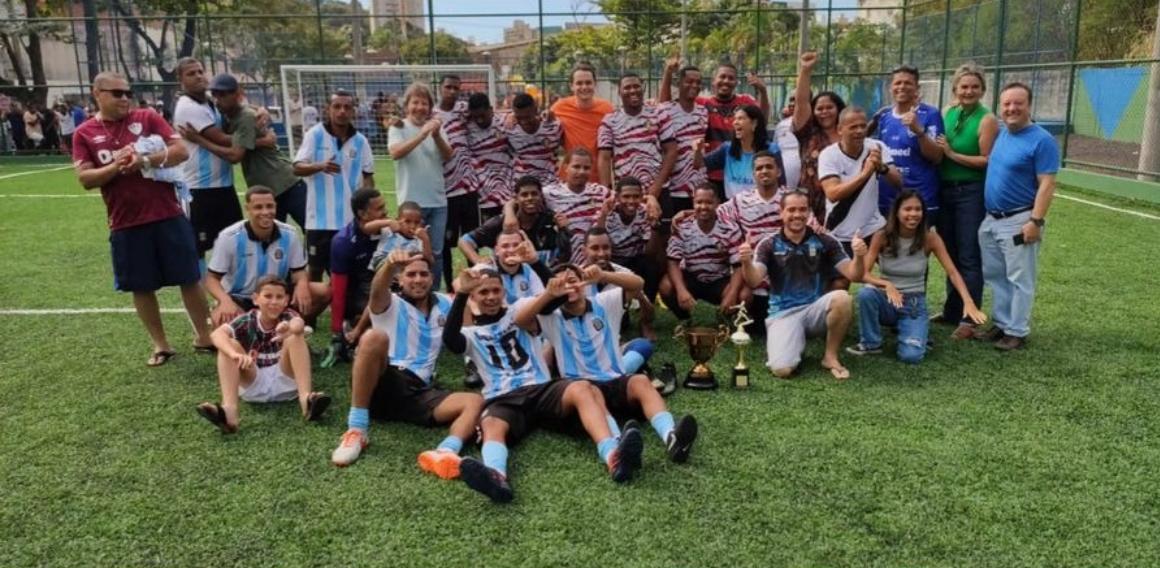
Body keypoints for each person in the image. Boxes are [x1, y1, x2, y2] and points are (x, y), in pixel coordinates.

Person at [443, 267, 644, 503]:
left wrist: (539, 267)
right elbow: (451, 341)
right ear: (474, 297)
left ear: (504, 292)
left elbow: (553, 299)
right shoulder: (470, 333)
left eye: (496, 290)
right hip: (503, 396)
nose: (491, 296)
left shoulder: (519, 311)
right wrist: (462, 294)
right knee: (491, 423)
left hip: (540, 387)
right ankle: (496, 477)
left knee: (582, 388)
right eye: (483, 292)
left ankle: (613, 455)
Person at [73, 71, 213, 366]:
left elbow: (180, 151)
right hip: (125, 221)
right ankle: (161, 345)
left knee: (189, 277)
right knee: (141, 286)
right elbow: (85, 178)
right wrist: (119, 166)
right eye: (117, 93)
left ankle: (205, 336)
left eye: (127, 92)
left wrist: (145, 160)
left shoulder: (147, 117)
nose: (125, 98)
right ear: (97, 93)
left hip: (168, 213)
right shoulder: (84, 133)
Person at [515, 265, 697, 463]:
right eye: (562, 284)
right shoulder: (551, 317)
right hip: (583, 392)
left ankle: (672, 437)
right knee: (591, 393)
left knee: (640, 381)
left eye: (573, 281)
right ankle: (619, 447)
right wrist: (548, 295)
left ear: (583, 283)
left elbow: (638, 284)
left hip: (615, 382)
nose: (570, 287)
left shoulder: (603, 302)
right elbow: (521, 320)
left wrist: (602, 275)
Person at [330, 250, 484, 474]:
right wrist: (390, 265)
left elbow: (469, 333)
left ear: (432, 278)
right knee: (374, 337)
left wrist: (464, 293)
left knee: (474, 402)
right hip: (383, 381)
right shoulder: (389, 302)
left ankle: (446, 452)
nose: (418, 280)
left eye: (424, 274)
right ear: (399, 279)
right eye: (411, 274)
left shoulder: (445, 303)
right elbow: (376, 291)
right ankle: (357, 429)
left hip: (419, 390)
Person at [847, 190, 987, 362]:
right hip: (887, 299)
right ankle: (871, 343)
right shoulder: (882, 236)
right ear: (897, 212)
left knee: (911, 357)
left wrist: (968, 301)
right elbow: (861, 275)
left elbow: (952, 272)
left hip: (913, 304)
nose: (913, 214)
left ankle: (917, 334)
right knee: (866, 293)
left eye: (918, 209)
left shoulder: (930, 238)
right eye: (907, 209)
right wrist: (886, 284)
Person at [739, 190, 865, 380]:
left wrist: (859, 256)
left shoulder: (825, 241)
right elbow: (754, 280)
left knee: (842, 298)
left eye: (802, 210)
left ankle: (830, 356)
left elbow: (854, 275)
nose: (797, 214)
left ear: (808, 213)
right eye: (791, 210)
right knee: (782, 370)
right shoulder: (768, 244)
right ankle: (793, 341)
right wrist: (746, 262)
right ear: (781, 213)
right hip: (783, 313)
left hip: (815, 310)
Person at [977, 83, 1060, 351]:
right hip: (992, 219)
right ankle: (1001, 323)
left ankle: (1017, 331)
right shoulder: (1002, 133)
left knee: (1019, 277)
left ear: (1029, 106)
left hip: (1019, 218)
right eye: (1007, 104)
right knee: (995, 275)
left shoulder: (1042, 140)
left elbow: (1047, 184)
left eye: (1018, 104)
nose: (1012, 109)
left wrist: (1035, 222)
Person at [197, 276, 331, 433]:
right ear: (255, 299)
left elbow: (298, 324)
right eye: (268, 296)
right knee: (228, 345)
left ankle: (306, 400)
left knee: (295, 338)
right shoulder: (247, 319)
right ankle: (229, 411)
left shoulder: (289, 315)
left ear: (286, 300)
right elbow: (216, 335)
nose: (274, 302)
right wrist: (235, 355)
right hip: (254, 381)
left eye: (279, 297)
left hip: (286, 381)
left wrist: (289, 330)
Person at [185, 73, 308, 228]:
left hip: (284, 182)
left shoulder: (245, 118)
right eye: (215, 95)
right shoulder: (230, 115)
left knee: (311, 230)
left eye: (223, 95)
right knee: (271, 238)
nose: (217, 100)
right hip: (269, 187)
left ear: (237, 95)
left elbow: (235, 155)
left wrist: (199, 140)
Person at [933, 63, 999, 340]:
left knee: (970, 255)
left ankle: (970, 318)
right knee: (950, 253)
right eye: (964, 87)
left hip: (970, 192)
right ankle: (952, 310)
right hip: (944, 191)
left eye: (974, 87)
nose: (968, 91)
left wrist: (950, 154)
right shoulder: (947, 112)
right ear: (955, 89)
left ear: (982, 89)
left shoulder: (987, 120)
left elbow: (987, 161)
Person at [205, 186, 329, 327]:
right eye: (258, 207)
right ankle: (275, 328)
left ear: (275, 207)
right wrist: (225, 301)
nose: (265, 212)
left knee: (324, 291)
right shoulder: (229, 237)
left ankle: (295, 324)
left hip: (276, 295)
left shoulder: (289, 233)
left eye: (269, 206)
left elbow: (299, 271)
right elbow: (211, 278)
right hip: (241, 297)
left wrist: (302, 285)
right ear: (248, 209)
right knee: (221, 320)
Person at [293, 90, 375, 283]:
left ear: (353, 111)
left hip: (349, 221)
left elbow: (368, 177)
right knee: (315, 270)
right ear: (328, 110)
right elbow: (296, 168)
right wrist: (319, 165)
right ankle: (311, 312)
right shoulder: (314, 135)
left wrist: (368, 209)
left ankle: (343, 309)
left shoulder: (361, 141)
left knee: (348, 270)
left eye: (347, 107)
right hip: (319, 221)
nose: (342, 111)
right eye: (337, 106)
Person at [660, 61, 769, 194]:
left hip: (739, 173)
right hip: (710, 174)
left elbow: (761, 122)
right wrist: (668, 73)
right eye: (722, 77)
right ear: (713, 81)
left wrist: (763, 91)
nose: (726, 81)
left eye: (731, 78)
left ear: (736, 82)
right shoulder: (702, 104)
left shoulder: (745, 102)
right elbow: (665, 108)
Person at [818, 107, 903, 270]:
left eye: (863, 126)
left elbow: (898, 181)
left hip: (874, 226)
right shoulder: (829, 155)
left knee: (896, 270)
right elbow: (833, 194)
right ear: (840, 129)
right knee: (840, 284)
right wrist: (865, 174)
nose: (859, 131)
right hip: (840, 229)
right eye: (853, 127)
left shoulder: (876, 146)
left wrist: (882, 167)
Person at [172, 57, 242, 256]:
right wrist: (259, 139)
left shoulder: (210, 102)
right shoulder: (188, 106)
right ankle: (199, 287)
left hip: (224, 186)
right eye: (191, 73)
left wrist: (257, 112)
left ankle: (232, 287)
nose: (198, 76)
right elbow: (222, 139)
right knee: (198, 247)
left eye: (200, 71)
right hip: (200, 189)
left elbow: (236, 113)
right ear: (181, 80)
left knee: (235, 244)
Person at [388, 82, 451, 288]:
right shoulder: (398, 127)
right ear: (407, 105)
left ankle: (433, 294)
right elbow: (396, 153)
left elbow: (448, 155)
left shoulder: (437, 127)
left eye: (424, 103)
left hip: (438, 200)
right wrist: (422, 134)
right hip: (412, 203)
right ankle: (410, 293)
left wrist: (435, 135)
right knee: (410, 252)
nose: (420, 107)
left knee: (436, 253)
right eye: (415, 102)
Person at [325, 188, 391, 366]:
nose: (385, 211)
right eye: (379, 208)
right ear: (362, 213)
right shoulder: (343, 241)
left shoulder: (388, 231)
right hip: (358, 292)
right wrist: (336, 332)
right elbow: (338, 289)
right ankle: (352, 326)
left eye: (384, 206)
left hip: (384, 285)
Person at [660, 184, 745, 321]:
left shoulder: (730, 228)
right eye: (699, 202)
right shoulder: (682, 226)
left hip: (719, 279)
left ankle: (724, 321)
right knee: (666, 286)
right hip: (692, 276)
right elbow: (672, 261)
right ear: (693, 203)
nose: (703, 207)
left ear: (718, 203)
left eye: (709, 202)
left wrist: (732, 294)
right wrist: (681, 290)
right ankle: (686, 319)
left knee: (744, 294)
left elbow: (738, 266)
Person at [868, 65, 945, 214]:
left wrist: (919, 132)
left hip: (920, 199)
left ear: (917, 87)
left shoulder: (930, 114)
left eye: (907, 83)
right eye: (898, 83)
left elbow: (937, 157)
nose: (902, 87)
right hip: (888, 198)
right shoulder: (884, 115)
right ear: (891, 87)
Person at [596, 73, 678, 197]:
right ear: (619, 92)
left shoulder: (658, 113)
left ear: (643, 88)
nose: (633, 90)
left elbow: (672, 150)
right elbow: (604, 158)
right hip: (627, 194)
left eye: (636, 86)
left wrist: (658, 185)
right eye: (627, 87)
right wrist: (607, 192)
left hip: (658, 191)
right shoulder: (609, 121)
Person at [433, 75, 480, 291]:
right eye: (448, 87)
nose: (452, 91)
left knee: (471, 239)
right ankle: (451, 287)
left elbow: (486, 112)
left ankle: (476, 282)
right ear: (440, 88)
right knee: (446, 244)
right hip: (446, 190)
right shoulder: (432, 115)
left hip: (469, 188)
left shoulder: (464, 110)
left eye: (456, 88)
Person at [463, 175, 571, 267]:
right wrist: (478, 260)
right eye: (524, 195)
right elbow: (464, 241)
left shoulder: (550, 219)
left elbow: (564, 256)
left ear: (541, 196)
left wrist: (563, 229)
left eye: (534, 194)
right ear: (516, 198)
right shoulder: (501, 222)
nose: (530, 198)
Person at [792, 51, 847, 220]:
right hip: (809, 204)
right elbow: (801, 102)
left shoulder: (849, 137)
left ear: (839, 109)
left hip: (842, 202)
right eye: (819, 109)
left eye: (829, 107)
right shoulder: (808, 134)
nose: (824, 112)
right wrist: (805, 70)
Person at [581, 226, 659, 343]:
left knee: (642, 347)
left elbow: (649, 311)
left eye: (606, 247)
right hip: (586, 329)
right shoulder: (576, 276)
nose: (601, 253)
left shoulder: (623, 274)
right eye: (595, 248)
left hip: (617, 322)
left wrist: (640, 298)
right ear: (584, 251)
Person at [538, 148, 612, 266]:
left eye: (586, 168)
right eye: (576, 167)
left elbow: (627, 198)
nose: (581, 172)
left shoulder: (600, 192)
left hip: (595, 261)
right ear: (566, 167)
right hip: (563, 261)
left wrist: (650, 200)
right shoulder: (549, 193)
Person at [655, 61, 708, 220]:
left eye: (698, 82)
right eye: (689, 81)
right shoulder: (666, 110)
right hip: (674, 186)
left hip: (697, 186)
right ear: (679, 83)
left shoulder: (703, 112)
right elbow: (662, 102)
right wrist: (668, 72)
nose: (694, 85)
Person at [595, 177, 661, 303]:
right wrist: (603, 216)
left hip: (635, 258)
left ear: (642, 196)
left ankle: (646, 306)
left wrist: (654, 227)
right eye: (626, 196)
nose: (631, 201)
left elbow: (650, 253)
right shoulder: (609, 212)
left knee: (652, 266)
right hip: (613, 260)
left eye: (636, 196)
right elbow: (598, 239)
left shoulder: (644, 212)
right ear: (618, 197)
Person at [699, 104, 782, 200]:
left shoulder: (772, 149)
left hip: (762, 207)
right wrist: (697, 151)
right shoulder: (727, 148)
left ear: (754, 123)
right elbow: (700, 164)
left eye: (741, 119)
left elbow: (781, 183)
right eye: (734, 119)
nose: (735, 123)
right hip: (732, 208)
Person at [551, 63, 614, 184]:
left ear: (595, 84)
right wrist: (513, 116)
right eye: (579, 83)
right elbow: (538, 121)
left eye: (588, 82)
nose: (584, 87)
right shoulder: (559, 107)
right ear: (571, 86)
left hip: (599, 180)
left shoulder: (607, 109)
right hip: (568, 181)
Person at [466, 92, 515, 220]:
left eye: (482, 115)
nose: (479, 120)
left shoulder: (505, 122)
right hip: (485, 194)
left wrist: (513, 115)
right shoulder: (467, 128)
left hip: (508, 189)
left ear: (491, 110)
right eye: (475, 117)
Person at [502, 93, 561, 187]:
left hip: (550, 184)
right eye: (519, 117)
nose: (523, 121)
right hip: (523, 186)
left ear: (535, 109)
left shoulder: (553, 127)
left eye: (527, 117)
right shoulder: (509, 129)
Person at [367, 200, 433, 271]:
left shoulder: (419, 239)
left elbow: (429, 261)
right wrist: (388, 222)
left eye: (417, 222)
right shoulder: (389, 230)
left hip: (402, 271)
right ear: (398, 220)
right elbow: (367, 227)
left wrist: (426, 240)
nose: (412, 226)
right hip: (381, 261)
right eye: (407, 221)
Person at [773, 95, 802, 190]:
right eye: (791, 101)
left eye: (796, 101)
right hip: (785, 176)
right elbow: (775, 147)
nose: (792, 105)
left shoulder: (814, 124)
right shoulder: (781, 125)